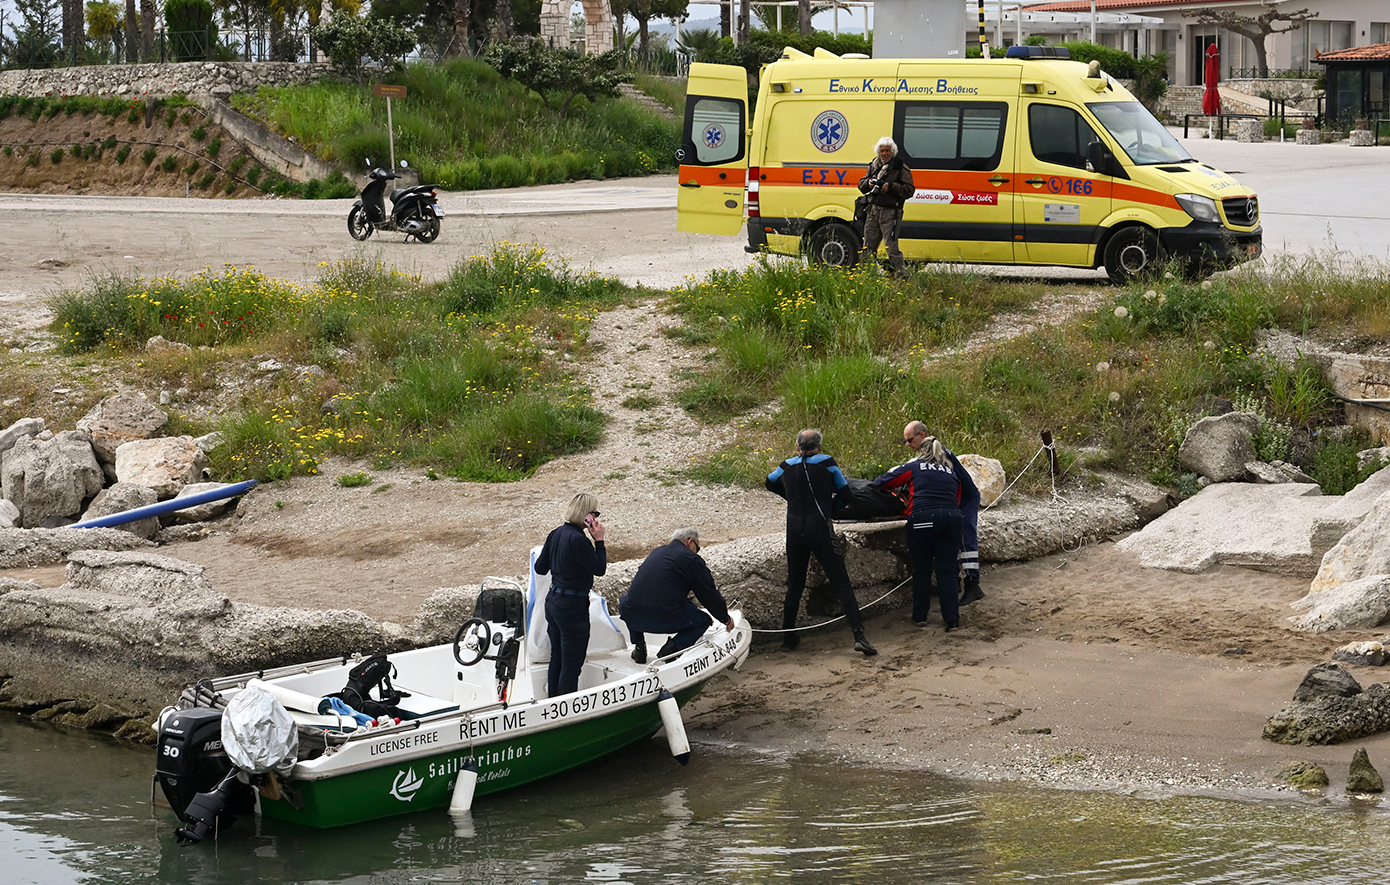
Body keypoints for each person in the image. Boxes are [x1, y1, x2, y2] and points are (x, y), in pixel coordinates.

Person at [766, 429, 877, 656]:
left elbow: (769, 482)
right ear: (819, 446)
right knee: (841, 583)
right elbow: (846, 494)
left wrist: (790, 496)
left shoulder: (786, 465)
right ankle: (859, 635)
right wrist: (830, 507)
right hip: (820, 527)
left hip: (794, 529)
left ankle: (788, 638)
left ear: (798, 447)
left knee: (795, 585)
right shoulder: (826, 463)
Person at [872, 422, 980, 631]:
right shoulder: (951, 471)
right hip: (951, 519)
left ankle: (920, 616)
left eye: (909, 440)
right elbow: (957, 498)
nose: (907, 444)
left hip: (922, 519)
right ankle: (952, 621)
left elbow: (882, 482)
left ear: (921, 446)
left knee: (921, 570)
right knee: (947, 571)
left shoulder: (914, 466)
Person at [619, 527, 734, 664]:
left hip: (633, 615)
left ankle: (639, 648)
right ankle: (671, 650)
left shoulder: (657, 552)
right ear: (690, 542)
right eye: (697, 548)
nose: (697, 552)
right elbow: (708, 594)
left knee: (627, 600)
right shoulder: (691, 559)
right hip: (663, 617)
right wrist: (725, 619)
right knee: (702, 620)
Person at [534, 493, 607, 697]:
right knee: (572, 662)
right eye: (595, 514)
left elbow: (540, 568)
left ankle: (552, 703)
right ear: (587, 516)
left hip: (554, 601)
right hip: (572, 605)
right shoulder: (579, 540)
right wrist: (599, 541)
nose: (596, 519)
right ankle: (566, 707)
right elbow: (599, 568)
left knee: (557, 656)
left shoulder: (556, 533)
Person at [857, 136, 915, 277]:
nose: (884, 154)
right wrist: (869, 183)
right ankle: (866, 277)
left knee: (891, 249)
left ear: (892, 151)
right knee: (868, 248)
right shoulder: (874, 165)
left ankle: (902, 277)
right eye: (882, 151)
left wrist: (890, 187)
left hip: (891, 213)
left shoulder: (900, 167)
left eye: (887, 151)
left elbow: (909, 190)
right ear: (878, 152)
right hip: (873, 211)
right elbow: (861, 185)